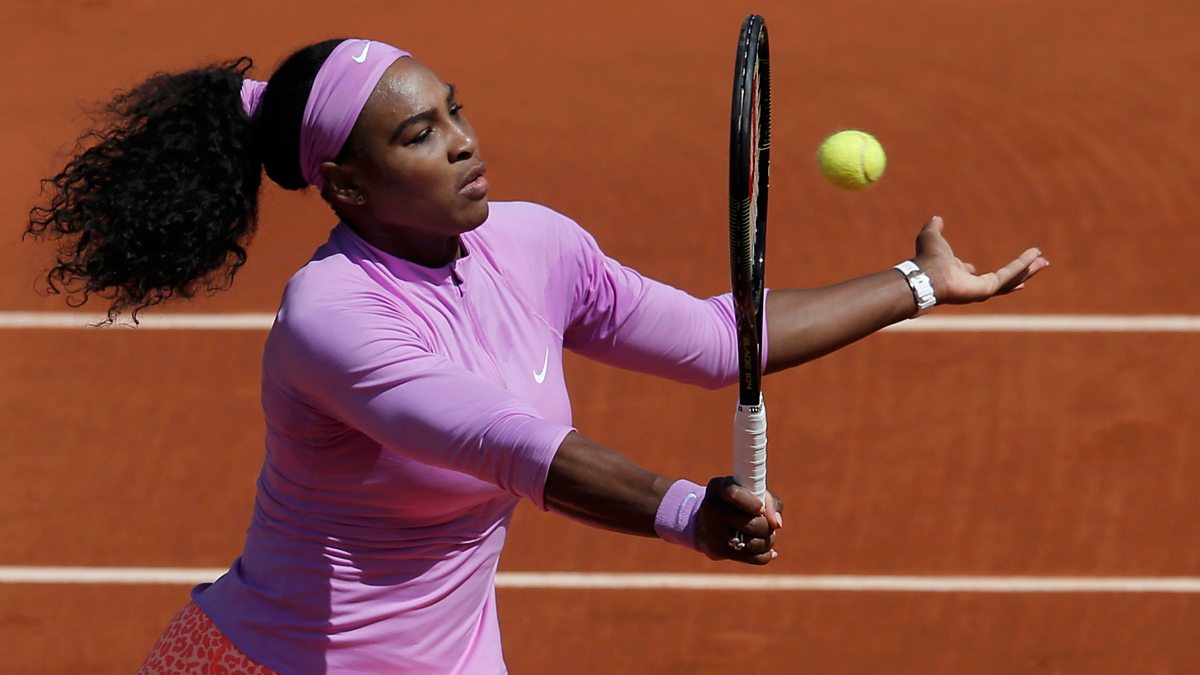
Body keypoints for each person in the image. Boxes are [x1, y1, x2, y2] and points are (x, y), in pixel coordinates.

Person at [26, 37, 1047, 674]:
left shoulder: (532, 243)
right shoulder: (333, 318)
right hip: (277, 665)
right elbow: (509, 444)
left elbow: (710, 338)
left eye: (455, 109)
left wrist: (918, 284)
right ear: (345, 185)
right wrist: (688, 513)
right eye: (420, 135)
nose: (463, 141)